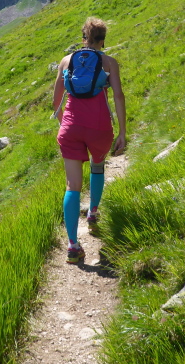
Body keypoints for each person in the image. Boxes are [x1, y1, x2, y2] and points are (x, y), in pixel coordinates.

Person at [52, 17, 126, 264]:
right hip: (99, 127)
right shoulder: (109, 62)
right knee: (97, 165)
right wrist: (122, 132)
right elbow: (118, 96)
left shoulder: (66, 61)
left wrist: (65, 125)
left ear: (83, 37)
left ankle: (73, 246)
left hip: (70, 128)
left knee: (72, 185)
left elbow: (55, 102)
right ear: (102, 40)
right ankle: (93, 213)